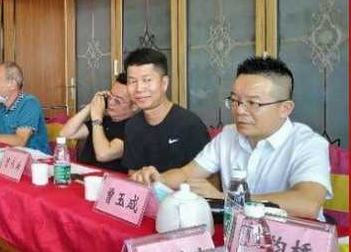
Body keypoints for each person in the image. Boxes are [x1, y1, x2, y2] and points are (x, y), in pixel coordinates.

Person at [131, 56, 332, 220]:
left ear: (285, 108)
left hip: (289, 244)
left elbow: (308, 203)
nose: (240, 111)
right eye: (235, 101)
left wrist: (227, 199)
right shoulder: (228, 135)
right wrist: (158, 179)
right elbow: (187, 173)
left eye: (253, 103)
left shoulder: (308, 144)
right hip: (237, 236)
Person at [119, 48, 209, 173]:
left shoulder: (190, 125)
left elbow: (210, 179)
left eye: (147, 80)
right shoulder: (132, 126)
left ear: (164, 83)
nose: (139, 88)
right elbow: (133, 174)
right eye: (132, 81)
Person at [59, 72, 138, 171]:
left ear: (134, 106)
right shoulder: (105, 119)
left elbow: (103, 155)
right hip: (84, 175)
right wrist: (91, 106)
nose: (110, 102)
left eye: (117, 101)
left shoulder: (134, 128)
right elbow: (66, 134)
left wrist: (97, 118)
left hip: (109, 179)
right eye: (109, 96)